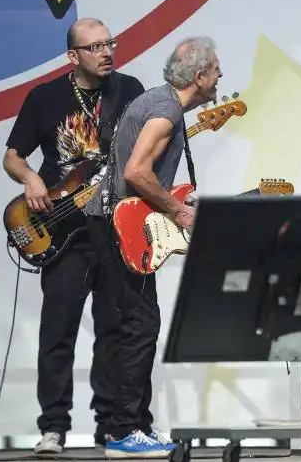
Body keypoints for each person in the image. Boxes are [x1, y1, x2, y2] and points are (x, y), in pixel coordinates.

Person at [3, 18, 145, 454]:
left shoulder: (130, 90)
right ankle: (53, 426)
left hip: (114, 230)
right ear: (73, 56)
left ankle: (109, 424)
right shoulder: (45, 98)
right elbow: (12, 155)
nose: (107, 52)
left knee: (114, 331)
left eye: (110, 43)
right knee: (58, 331)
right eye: (95, 46)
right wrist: (29, 177)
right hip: (63, 232)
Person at [83, 36, 221, 458]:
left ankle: (125, 426)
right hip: (115, 227)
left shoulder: (158, 102)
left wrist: (176, 201)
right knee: (140, 327)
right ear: (198, 77)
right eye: (215, 70)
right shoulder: (164, 111)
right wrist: (179, 212)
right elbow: (137, 172)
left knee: (126, 326)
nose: (219, 77)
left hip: (109, 224)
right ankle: (127, 431)